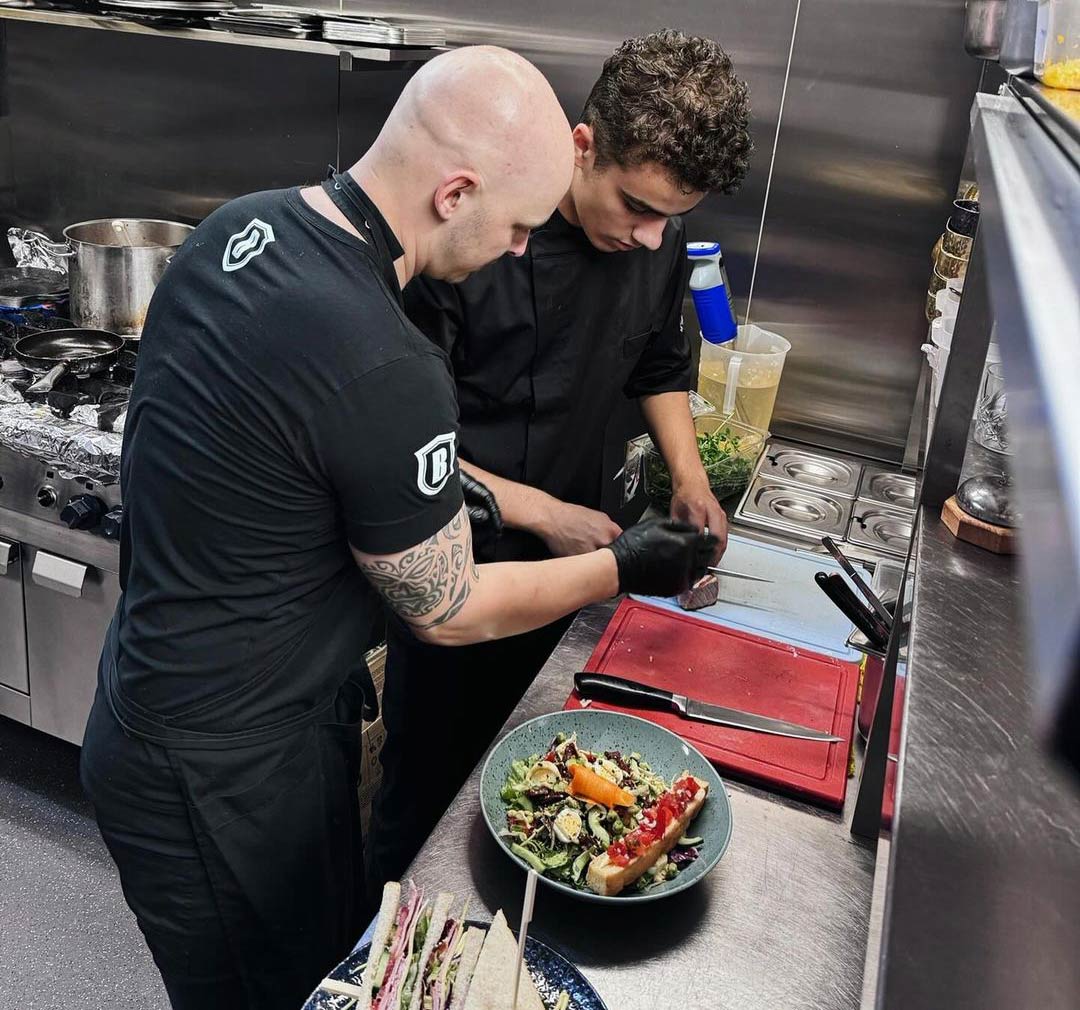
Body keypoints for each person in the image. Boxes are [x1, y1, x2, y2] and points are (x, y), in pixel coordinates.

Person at [79, 45, 714, 1010]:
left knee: (332, 956)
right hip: (223, 768)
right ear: (456, 192)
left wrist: (509, 504)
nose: (515, 250)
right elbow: (448, 609)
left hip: (171, 706)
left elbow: (304, 455)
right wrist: (623, 566)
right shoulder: (388, 355)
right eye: (513, 226)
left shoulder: (237, 229)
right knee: (282, 993)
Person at [368, 29, 753, 890]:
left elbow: (657, 361)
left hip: (584, 559)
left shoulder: (650, 239)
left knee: (553, 791)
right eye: (637, 208)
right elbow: (402, 455)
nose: (654, 239)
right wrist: (543, 512)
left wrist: (687, 478)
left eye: (672, 217)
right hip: (455, 556)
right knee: (428, 791)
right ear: (582, 148)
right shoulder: (469, 240)